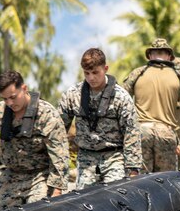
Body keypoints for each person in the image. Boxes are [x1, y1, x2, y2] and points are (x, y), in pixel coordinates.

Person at [0, 70, 70, 210]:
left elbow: (60, 156)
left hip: (40, 176)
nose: (9, 103)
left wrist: (56, 191)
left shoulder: (47, 115)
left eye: (13, 97)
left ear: (24, 88)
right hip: (12, 176)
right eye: (5, 99)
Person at [58, 48, 143, 188]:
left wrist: (133, 170)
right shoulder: (72, 95)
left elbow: (131, 133)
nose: (91, 78)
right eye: (87, 73)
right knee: (84, 201)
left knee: (115, 198)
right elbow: (59, 129)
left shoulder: (121, 97)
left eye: (95, 72)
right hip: (86, 158)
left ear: (105, 68)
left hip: (114, 157)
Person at [123, 38, 180, 172]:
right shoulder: (179, 77)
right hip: (166, 134)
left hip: (141, 133)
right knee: (165, 184)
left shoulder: (137, 73)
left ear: (150, 55)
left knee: (139, 183)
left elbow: (121, 100)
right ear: (169, 56)